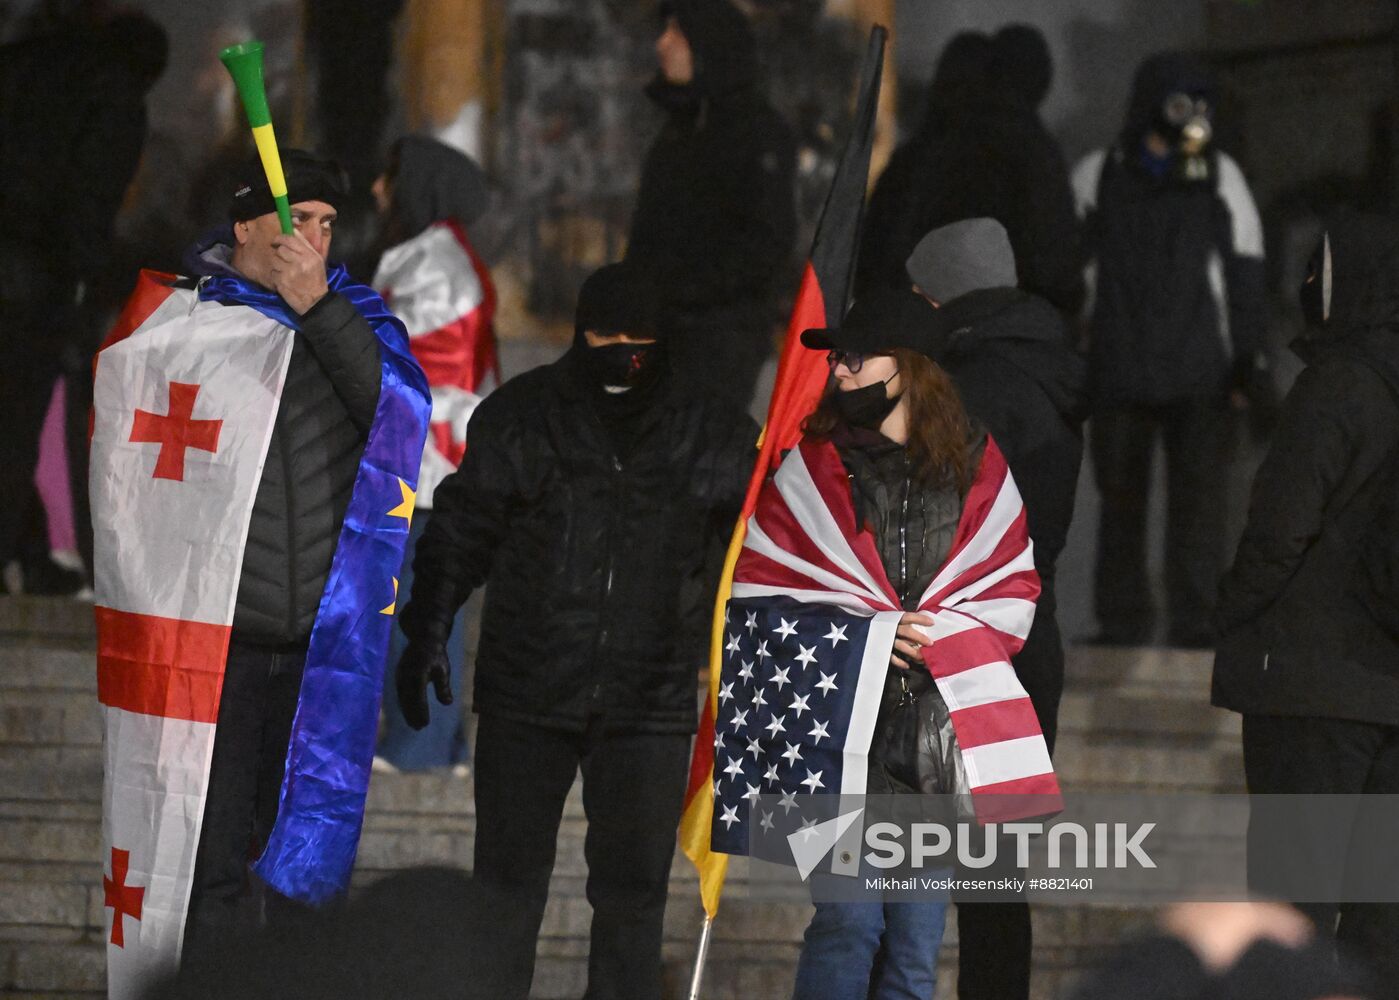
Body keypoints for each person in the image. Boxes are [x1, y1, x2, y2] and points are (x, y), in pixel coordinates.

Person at [395, 262, 758, 998]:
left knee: (631, 904)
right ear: (578, 333)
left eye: (638, 338)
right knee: (503, 895)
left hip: (647, 701)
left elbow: (753, 553)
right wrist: (428, 625)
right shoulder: (522, 415)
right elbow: (462, 528)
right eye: (605, 335)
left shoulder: (713, 432)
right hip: (527, 690)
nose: (622, 351)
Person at [176, 151, 423, 951]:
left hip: (320, 641)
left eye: (326, 223)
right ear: (246, 227)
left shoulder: (351, 315)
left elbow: (395, 412)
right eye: (298, 221)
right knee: (209, 860)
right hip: (220, 641)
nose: (316, 238)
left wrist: (318, 309)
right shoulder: (187, 319)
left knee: (294, 870)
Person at [784, 288, 1045, 1000]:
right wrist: (869, 636)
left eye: (854, 357)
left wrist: (942, 636)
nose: (839, 372)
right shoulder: (807, 468)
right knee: (848, 927)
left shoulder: (977, 467)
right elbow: (766, 597)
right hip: (830, 742)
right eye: (836, 358)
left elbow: (1010, 585)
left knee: (912, 955)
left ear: (908, 366)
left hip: (926, 747)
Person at [1214, 214, 1399, 996]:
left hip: (1307, 686)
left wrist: (1231, 611)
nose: (1306, 287)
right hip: (1387, 687)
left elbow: (1280, 528)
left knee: (1289, 913)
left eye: (1317, 267)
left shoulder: (1338, 382)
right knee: (1379, 920)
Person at [904, 218, 1085, 1000]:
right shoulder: (1047, 370)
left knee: (899, 868)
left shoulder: (969, 386)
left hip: (956, 645)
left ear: (946, 296)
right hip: (1024, 637)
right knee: (994, 874)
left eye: (918, 297)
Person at [1074, 51, 1267, 647]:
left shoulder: (1206, 174)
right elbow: (1246, 269)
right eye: (1179, 103)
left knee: (1190, 509)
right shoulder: (1103, 172)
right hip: (1146, 368)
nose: (1190, 119)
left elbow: (1245, 272)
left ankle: (1182, 622)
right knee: (1137, 506)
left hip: (1180, 371)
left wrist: (1247, 363)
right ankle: (1138, 621)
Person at [0, 11, 167, 593]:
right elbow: (86, 205)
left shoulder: (20, 64)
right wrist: (111, 276)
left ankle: (29, 547)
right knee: (16, 422)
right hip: (28, 282)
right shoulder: (111, 95)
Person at [371, 135, 498, 773]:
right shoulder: (435, 258)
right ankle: (433, 741)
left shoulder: (433, 265)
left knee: (423, 609)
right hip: (429, 468)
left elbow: (417, 376)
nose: (377, 190)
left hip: (430, 470)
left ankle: (420, 745)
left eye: (388, 176)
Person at [626, 0, 797, 409]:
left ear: (708, 46)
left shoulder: (756, 134)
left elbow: (765, 241)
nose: (662, 44)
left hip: (719, 343)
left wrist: (687, 292)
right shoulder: (678, 131)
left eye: (677, 33)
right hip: (660, 336)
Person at [857, 26, 1083, 318]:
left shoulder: (926, 151)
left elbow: (880, 248)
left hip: (918, 318)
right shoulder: (1033, 153)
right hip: (1003, 322)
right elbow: (1052, 259)